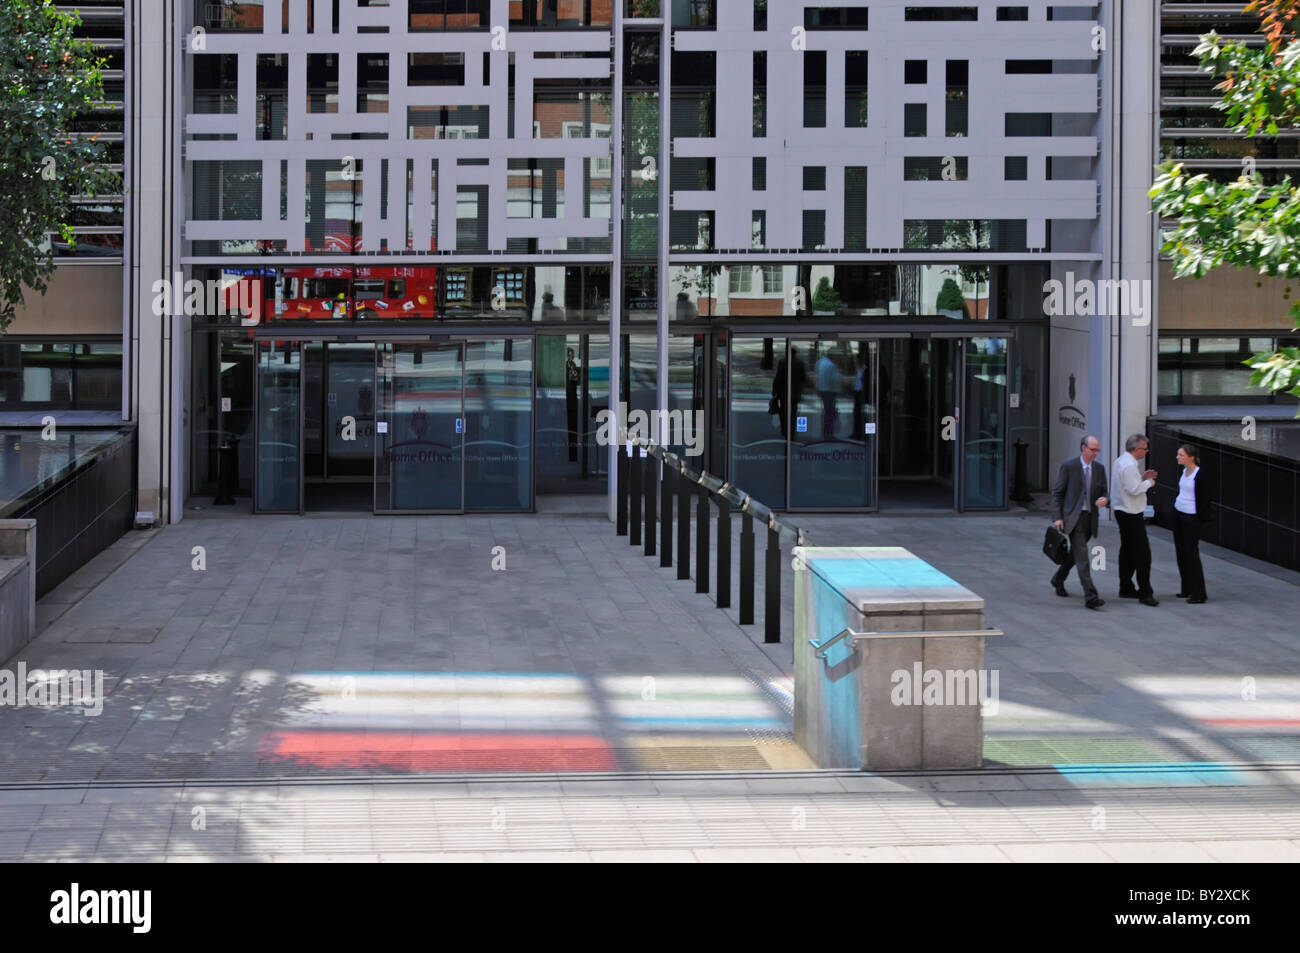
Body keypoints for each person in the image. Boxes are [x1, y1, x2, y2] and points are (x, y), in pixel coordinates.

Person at [1051, 435, 1110, 610]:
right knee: (1083, 557)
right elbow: (1057, 493)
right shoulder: (1070, 467)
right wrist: (1058, 517)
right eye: (1093, 450)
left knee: (1076, 554)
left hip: (1090, 518)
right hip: (1073, 517)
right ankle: (1091, 596)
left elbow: (1105, 492)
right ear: (1083, 448)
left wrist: (1104, 500)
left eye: (1097, 450)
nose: (1095, 453)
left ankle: (1058, 578)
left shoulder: (1099, 469)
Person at [1111, 433, 1160, 606]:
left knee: (1127, 550)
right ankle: (1145, 591)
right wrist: (1149, 483)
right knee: (1142, 554)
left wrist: (1143, 478)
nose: (1146, 452)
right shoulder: (1130, 465)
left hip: (1121, 511)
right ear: (1137, 449)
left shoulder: (1120, 461)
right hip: (1131, 513)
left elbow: (1127, 485)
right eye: (1145, 449)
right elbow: (1133, 489)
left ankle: (1125, 586)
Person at [1172, 443, 1212, 604]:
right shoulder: (1183, 471)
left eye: (1181, 455)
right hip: (1179, 513)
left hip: (1191, 517)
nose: (1178, 457)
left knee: (1191, 553)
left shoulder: (1199, 474)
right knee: (1181, 552)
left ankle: (1199, 593)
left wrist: (1198, 518)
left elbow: (1204, 499)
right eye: (1178, 454)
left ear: (1191, 457)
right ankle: (1186, 588)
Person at [815, 349, 839, 438]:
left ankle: (825, 431)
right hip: (830, 392)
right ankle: (829, 433)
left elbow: (817, 376)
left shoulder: (820, 362)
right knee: (830, 413)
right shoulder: (831, 365)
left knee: (826, 412)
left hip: (822, 390)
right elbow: (832, 380)